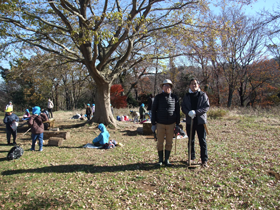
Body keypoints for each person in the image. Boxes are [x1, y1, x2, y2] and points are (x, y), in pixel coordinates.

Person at [181, 78, 210, 168]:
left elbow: (206, 107)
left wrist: (196, 112)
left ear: (198, 85)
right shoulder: (187, 96)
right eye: (192, 84)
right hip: (190, 121)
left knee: (202, 141)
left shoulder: (203, 95)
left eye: (195, 84)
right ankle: (191, 157)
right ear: (189, 86)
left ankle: (204, 160)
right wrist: (188, 112)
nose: (193, 85)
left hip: (200, 121)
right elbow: (183, 107)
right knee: (191, 140)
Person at [151, 79, 180, 166]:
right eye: (165, 85)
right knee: (160, 142)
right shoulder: (158, 97)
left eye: (168, 85)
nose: (166, 87)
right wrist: (153, 124)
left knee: (169, 142)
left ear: (171, 87)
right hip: (160, 123)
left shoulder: (175, 97)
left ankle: (166, 160)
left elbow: (177, 112)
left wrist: (177, 124)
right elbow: (153, 110)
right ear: (162, 87)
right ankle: (160, 160)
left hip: (171, 124)